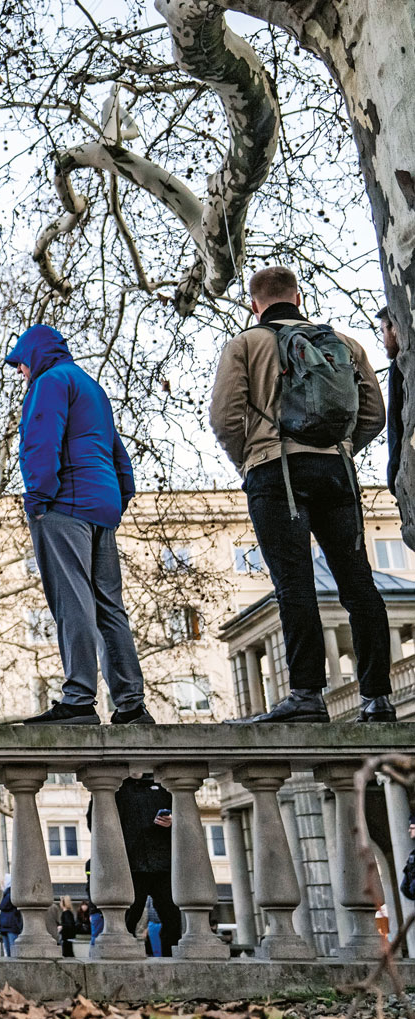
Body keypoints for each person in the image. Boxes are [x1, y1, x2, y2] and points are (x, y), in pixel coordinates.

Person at [212, 268, 390, 723]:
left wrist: (249, 459)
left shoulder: (245, 345)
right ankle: (377, 698)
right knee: (359, 584)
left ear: (255, 305)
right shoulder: (345, 344)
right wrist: (339, 449)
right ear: (297, 297)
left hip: (275, 472)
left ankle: (307, 695)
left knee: (294, 584)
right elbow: (374, 414)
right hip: (336, 472)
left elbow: (224, 417)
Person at [4, 325, 148, 727]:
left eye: (21, 364)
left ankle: (79, 699)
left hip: (64, 503)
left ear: (34, 355)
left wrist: (37, 498)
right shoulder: (91, 387)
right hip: (102, 506)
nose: (21, 373)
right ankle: (131, 704)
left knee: (73, 601)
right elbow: (118, 453)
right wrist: (117, 499)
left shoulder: (50, 381)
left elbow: (41, 440)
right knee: (109, 606)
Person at [87, 773, 178, 956]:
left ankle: (171, 959)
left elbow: (181, 816)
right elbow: (94, 823)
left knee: (172, 920)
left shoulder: (160, 786)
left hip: (162, 864)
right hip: (131, 866)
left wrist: (172, 822)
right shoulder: (116, 788)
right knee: (127, 920)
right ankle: (122, 959)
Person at [383, 307, 404, 493]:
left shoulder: (400, 367)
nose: (383, 341)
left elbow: (397, 425)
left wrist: (394, 472)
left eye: (383, 330)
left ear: (395, 328)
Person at [0, 878, 21, 956]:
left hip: (9, 926)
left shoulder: (10, 892)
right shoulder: (9, 892)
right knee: (11, 952)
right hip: (9, 926)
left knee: (11, 952)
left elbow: (3, 905)